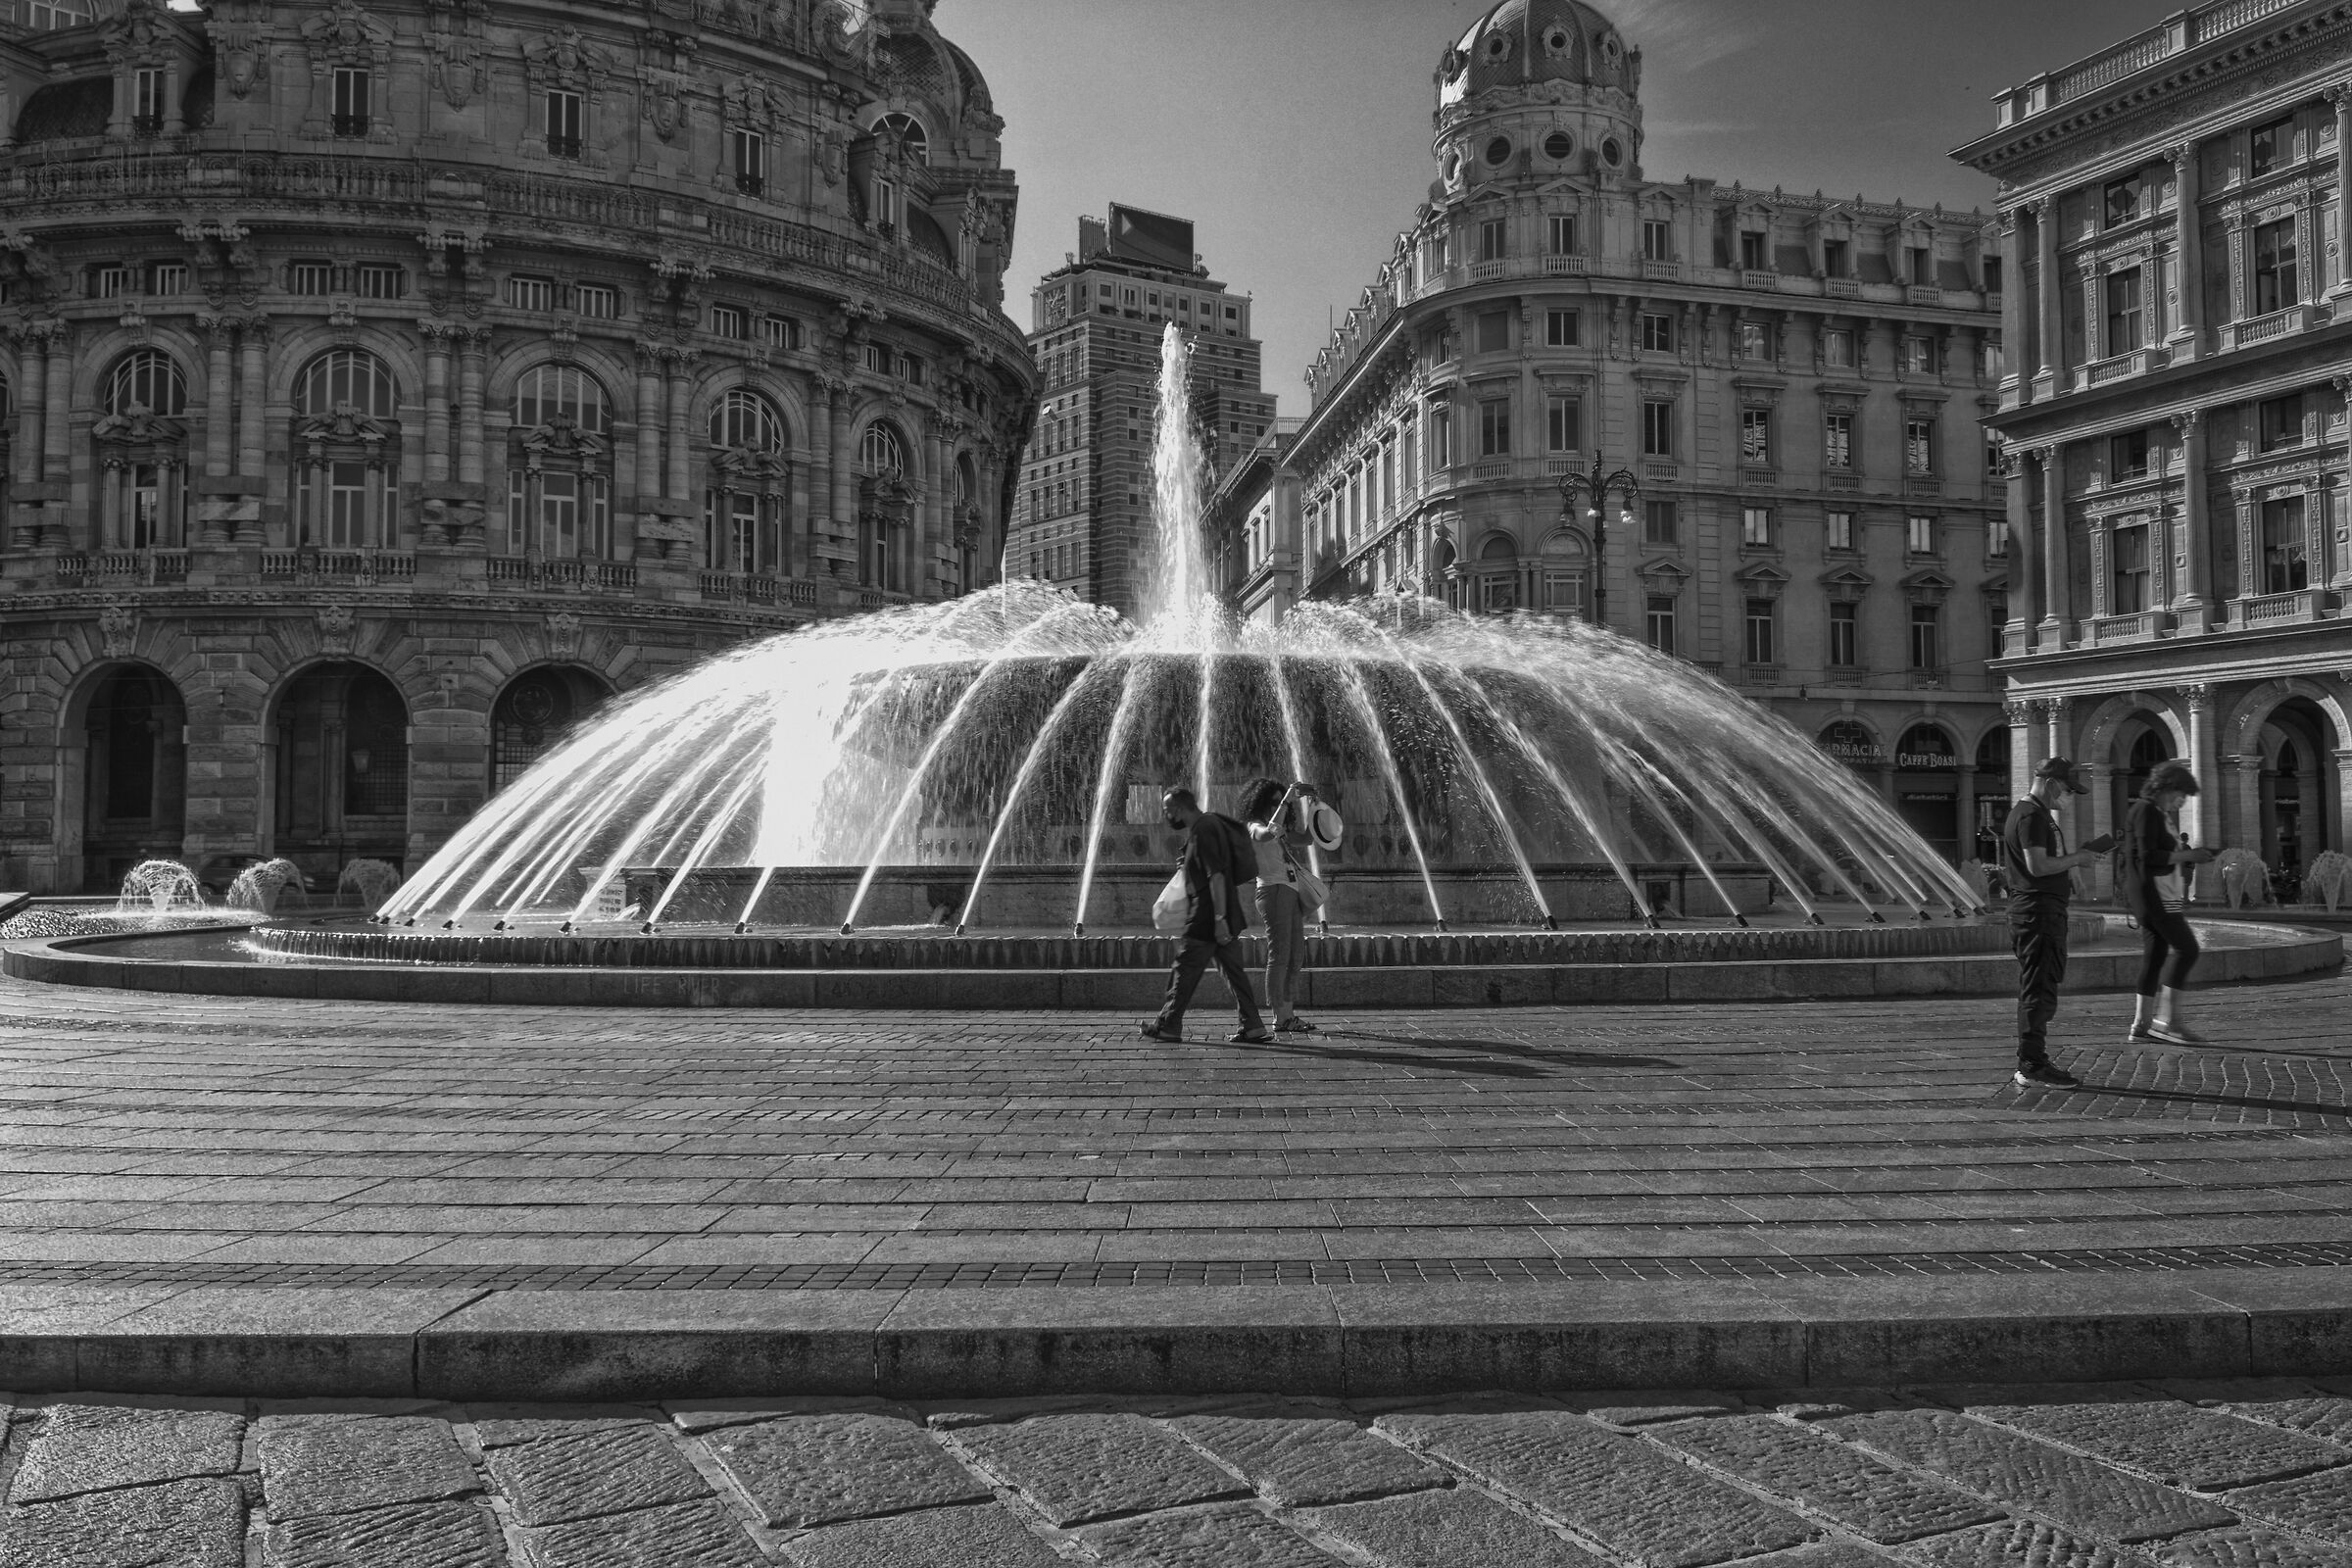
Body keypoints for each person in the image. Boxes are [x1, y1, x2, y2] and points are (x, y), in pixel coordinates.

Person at [1999, 756, 2109, 1089]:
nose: (2070, 797)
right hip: (2037, 913)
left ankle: (2033, 1058)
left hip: (2042, 911)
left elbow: (2045, 863)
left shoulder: (2038, 815)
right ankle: (2030, 1063)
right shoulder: (2031, 815)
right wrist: (2078, 858)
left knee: (2043, 984)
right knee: (2037, 988)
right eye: (2067, 789)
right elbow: (2037, 866)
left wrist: (2074, 867)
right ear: (2050, 783)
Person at [1140, 786, 1271, 1045]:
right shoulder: (1206, 825)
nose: (1166, 816)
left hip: (1208, 917)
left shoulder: (1204, 828)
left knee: (1184, 969)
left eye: (1168, 811)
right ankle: (1253, 1025)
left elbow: (1218, 875)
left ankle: (1167, 1025)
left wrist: (1219, 920)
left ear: (1178, 809)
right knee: (1234, 973)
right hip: (1220, 915)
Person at [2120, 760, 2216, 1045]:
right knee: (2188, 950)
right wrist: (2189, 856)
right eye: (2182, 793)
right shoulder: (2146, 811)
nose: (2183, 800)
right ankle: (2169, 1023)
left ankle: (2141, 1024)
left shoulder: (2157, 813)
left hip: (2157, 895)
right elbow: (2148, 856)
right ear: (2167, 787)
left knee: (2155, 956)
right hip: (2154, 896)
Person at [1241, 776, 1316, 1034]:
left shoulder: (1281, 828)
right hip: (1272, 891)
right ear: (1261, 803)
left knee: (1295, 956)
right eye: (1272, 802)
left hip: (1290, 891)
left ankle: (1288, 1014)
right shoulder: (1253, 826)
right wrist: (1287, 800)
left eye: (1280, 802)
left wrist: (1314, 806)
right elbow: (1265, 835)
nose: (1277, 806)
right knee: (1280, 955)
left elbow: (1307, 839)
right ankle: (1279, 1015)